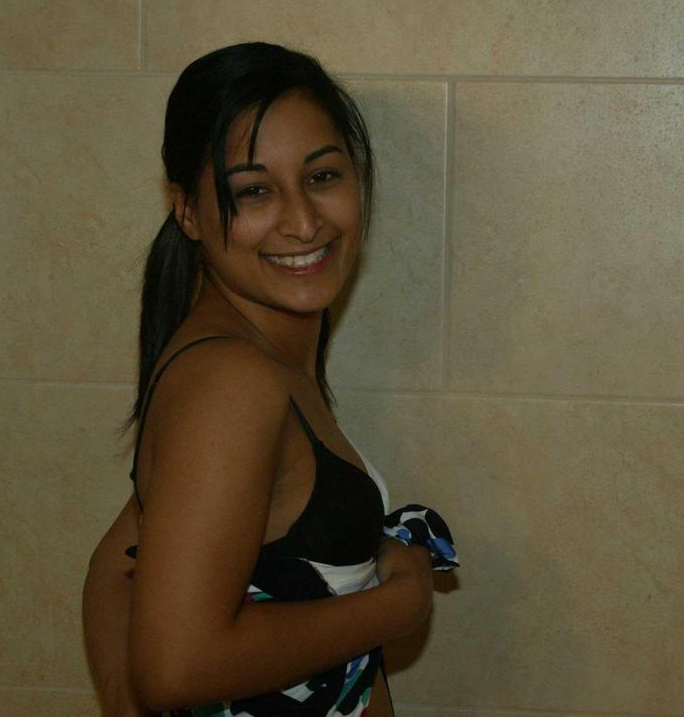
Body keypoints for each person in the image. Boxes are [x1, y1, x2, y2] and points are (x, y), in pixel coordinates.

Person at [82, 43, 451, 716]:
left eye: (322, 175)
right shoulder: (232, 382)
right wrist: (396, 606)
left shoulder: (253, 357)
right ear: (187, 211)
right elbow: (177, 667)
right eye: (253, 190)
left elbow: (116, 565)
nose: (304, 222)